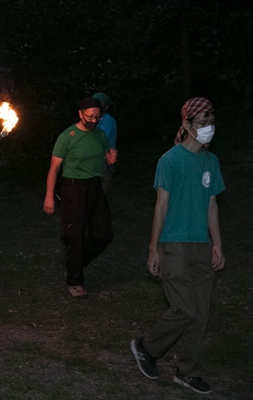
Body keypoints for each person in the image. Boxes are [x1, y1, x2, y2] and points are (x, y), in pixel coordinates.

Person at [130, 98, 225, 395]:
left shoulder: (211, 161)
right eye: (202, 123)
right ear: (186, 125)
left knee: (200, 314)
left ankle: (188, 372)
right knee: (184, 308)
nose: (208, 128)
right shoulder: (170, 160)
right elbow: (161, 205)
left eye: (211, 122)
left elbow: (212, 206)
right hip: (174, 244)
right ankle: (147, 347)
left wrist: (217, 245)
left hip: (201, 245)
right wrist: (153, 248)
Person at [43, 97, 117, 299]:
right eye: (90, 116)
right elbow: (54, 168)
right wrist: (49, 196)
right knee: (74, 235)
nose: (93, 120)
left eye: (97, 117)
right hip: (73, 188)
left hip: (95, 186)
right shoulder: (68, 136)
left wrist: (109, 158)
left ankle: (74, 261)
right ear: (80, 114)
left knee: (104, 233)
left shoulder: (100, 134)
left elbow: (104, 155)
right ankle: (74, 281)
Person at [92, 93, 117, 194]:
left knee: (98, 195)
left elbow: (99, 140)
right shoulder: (91, 119)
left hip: (104, 165)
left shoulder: (108, 120)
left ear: (106, 107)